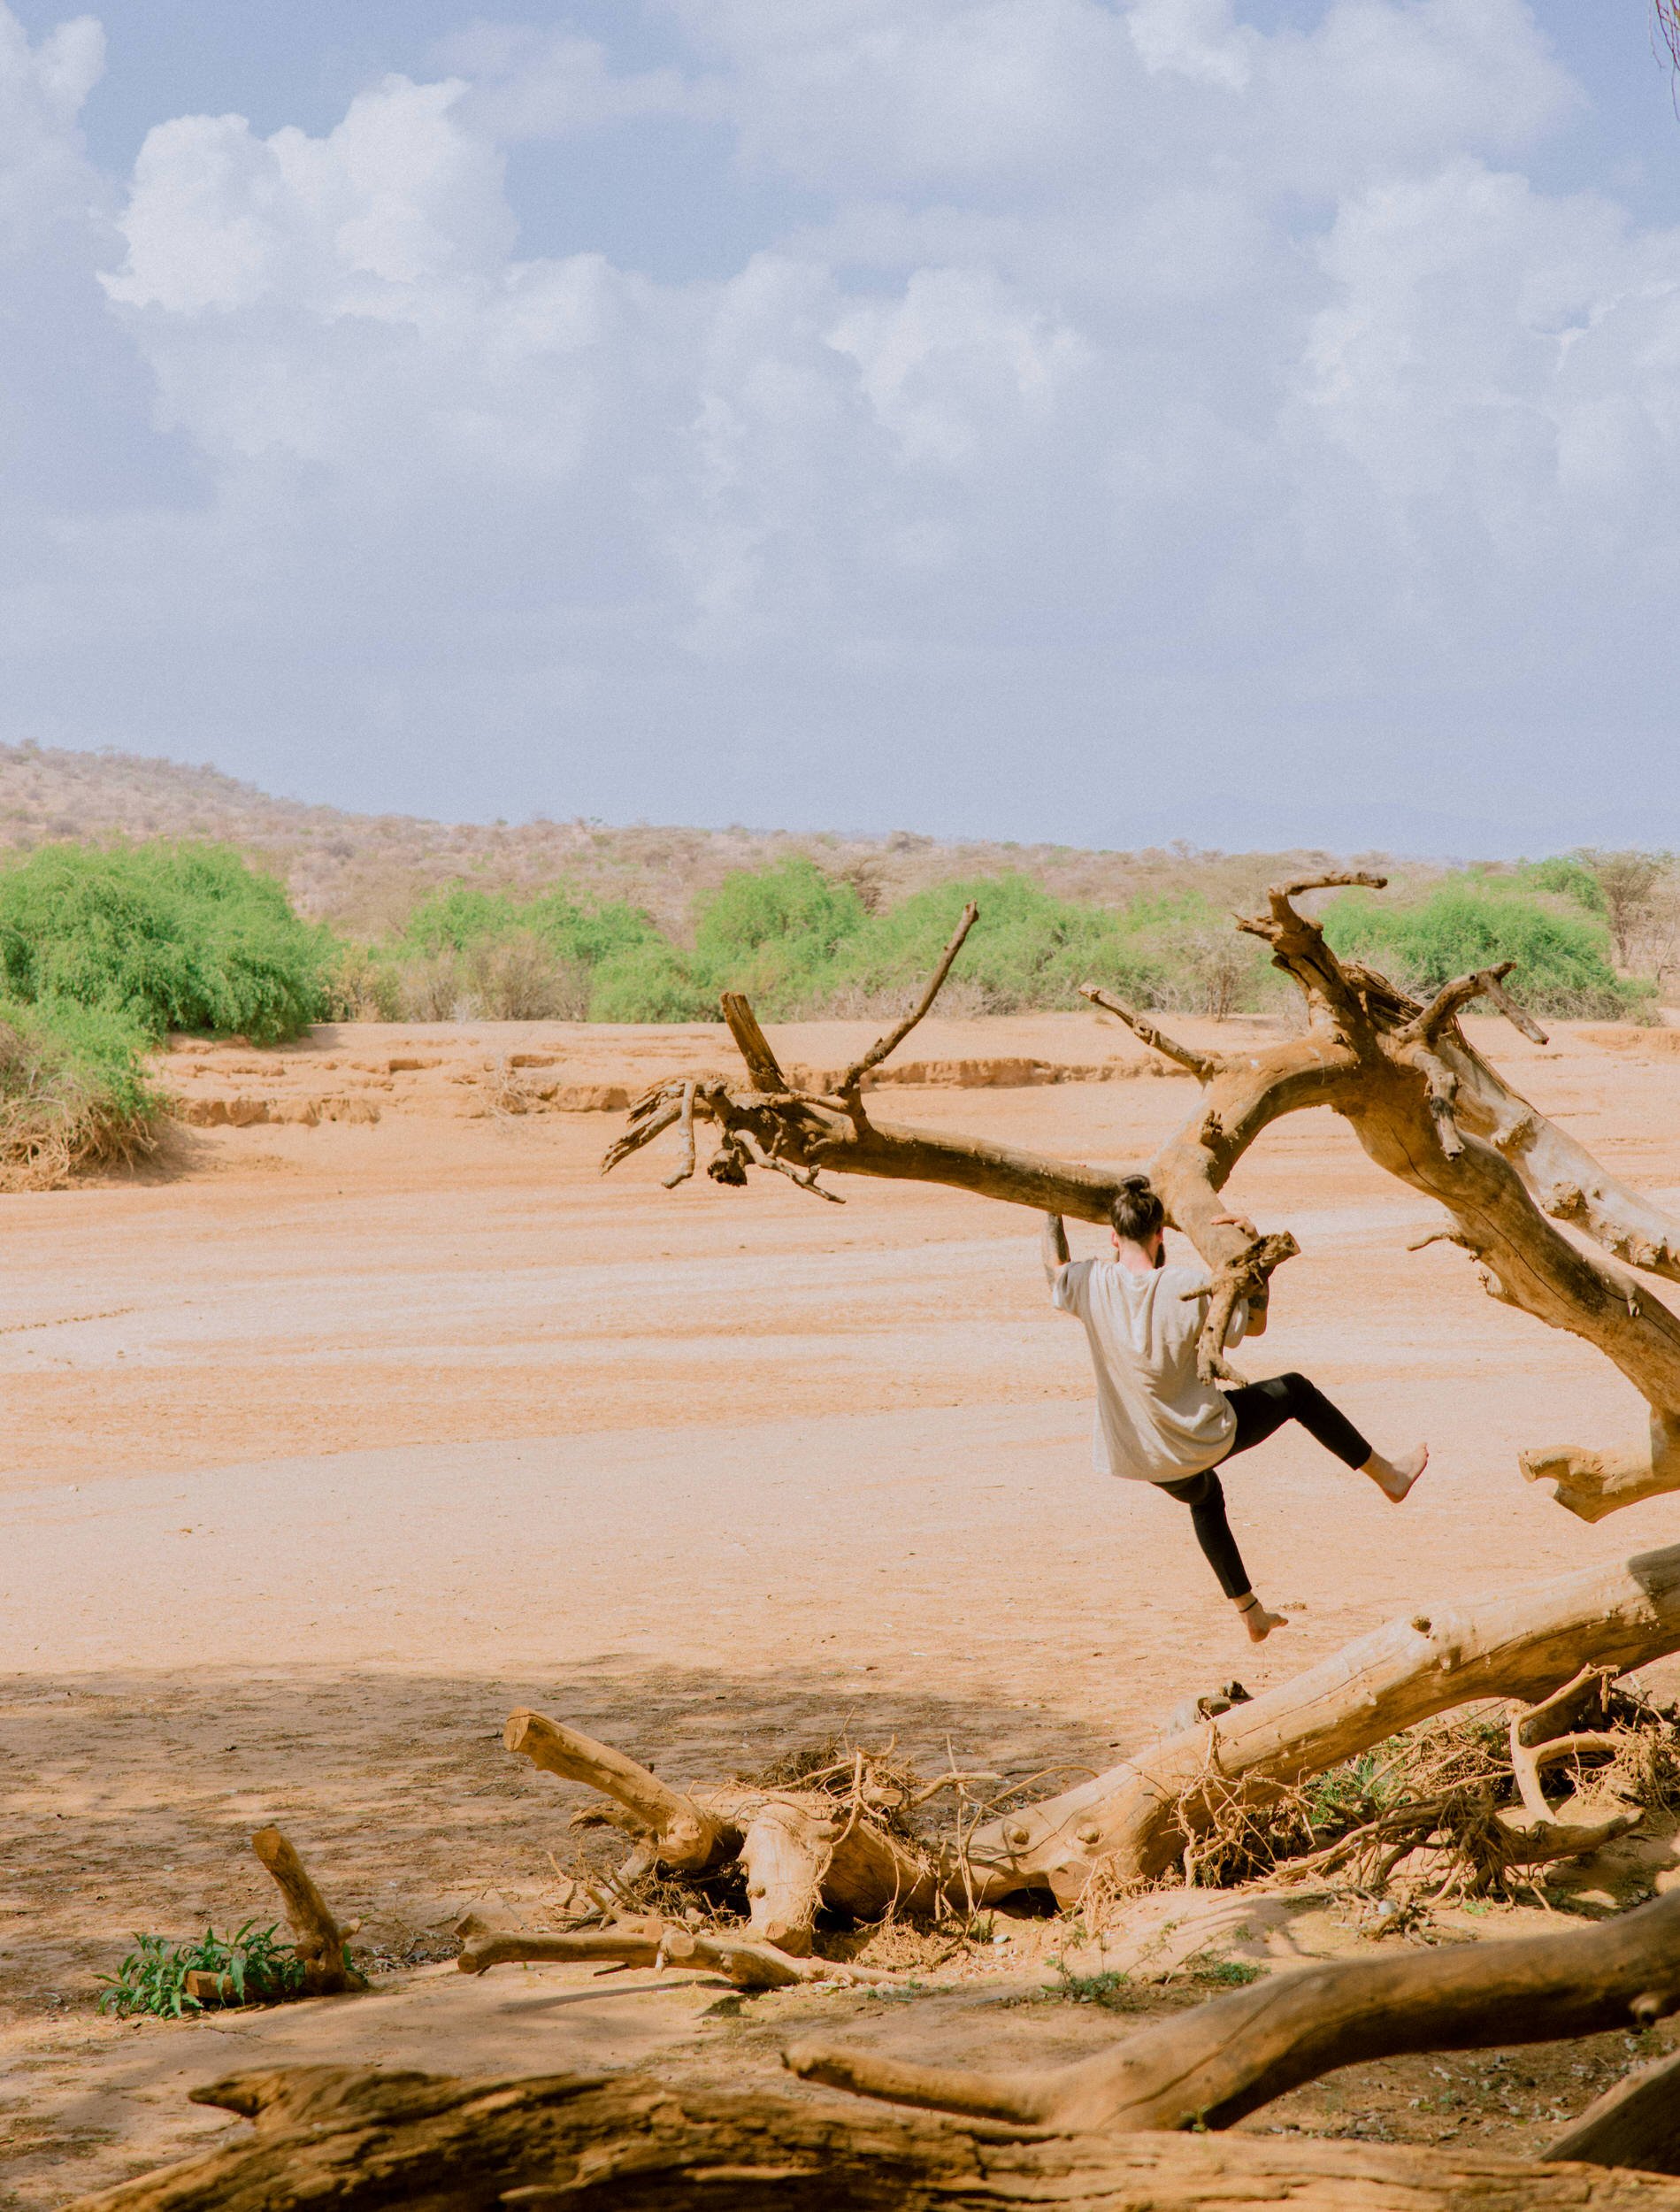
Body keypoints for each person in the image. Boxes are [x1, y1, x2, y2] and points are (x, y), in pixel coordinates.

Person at [1042, 1174, 1427, 1645]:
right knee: (1296, 1392)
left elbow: (1053, 1265)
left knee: (1204, 1496)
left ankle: (1250, 1613)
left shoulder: (1089, 1281)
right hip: (1197, 1438)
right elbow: (1256, 1325)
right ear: (1161, 1233)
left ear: (1112, 1236)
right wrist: (1258, 1253)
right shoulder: (1189, 1285)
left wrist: (1050, 1207)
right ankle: (1388, 1475)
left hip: (1138, 1455)